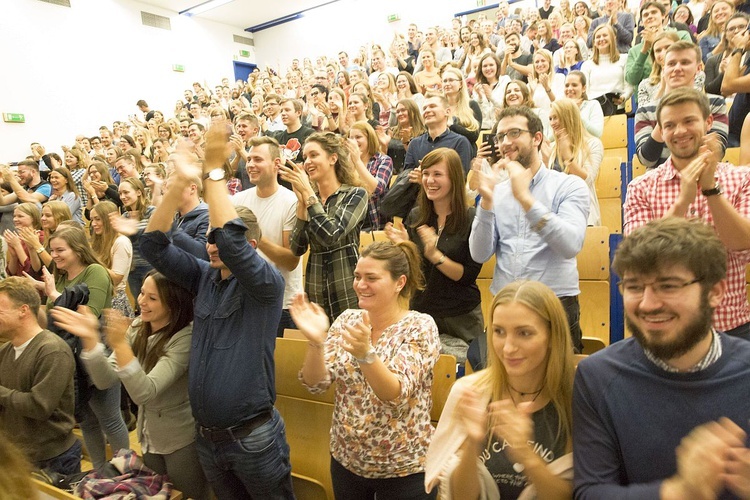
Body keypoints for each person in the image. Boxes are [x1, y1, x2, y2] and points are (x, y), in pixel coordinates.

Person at [140, 124, 293, 498]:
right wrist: (178, 183)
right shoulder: (205, 278)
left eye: (216, 238)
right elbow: (153, 245)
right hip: (208, 438)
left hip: (252, 438)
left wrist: (213, 171)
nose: (210, 245)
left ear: (250, 245)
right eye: (207, 237)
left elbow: (230, 240)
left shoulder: (265, 284)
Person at [573, 217, 750, 498]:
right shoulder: (597, 375)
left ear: (715, 292)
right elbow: (590, 492)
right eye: (633, 286)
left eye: (668, 286)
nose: (648, 304)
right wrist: (680, 491)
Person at [290, 240, 440, 500]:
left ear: (399, 283)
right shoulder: (348, 319)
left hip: (404, 471)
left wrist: (365, 354)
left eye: (371, 277)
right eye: (357, 276)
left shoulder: (420, 326)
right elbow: (316, 383)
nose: (360, 285)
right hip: (347, 463)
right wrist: (316, 341)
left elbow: (395, 394)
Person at [50, 272, 210, 500]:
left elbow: (146, 392)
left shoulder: (184, 337)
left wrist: (119, 344)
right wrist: (90, 339)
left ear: (174, 302)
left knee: (186, 495)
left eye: (152, 298)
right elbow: (104, 380)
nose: (142, 301)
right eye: (143, 292)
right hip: (150, 436)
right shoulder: (139, 326)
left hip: (181, 441)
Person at [425, 280, 575, 499]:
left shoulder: (576, 398)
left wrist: (526, 455)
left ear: (553, 336)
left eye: (524, 333)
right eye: (499, 331)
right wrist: (472, 444)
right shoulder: (470, 392)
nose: (508, 347)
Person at [625, 87, 750, 340]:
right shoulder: (641, 187)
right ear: (660, 131)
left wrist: (710, 189)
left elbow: (742, 242)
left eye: (689, 121)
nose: (680, 131)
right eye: (670, 125)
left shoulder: (742, 178)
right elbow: (640, 259)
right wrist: (682, 201)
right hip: (665, 330)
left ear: (708, 122)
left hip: (731, 328)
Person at [469, 106, 589, 353]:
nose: (505, 142)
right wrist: (487, 204)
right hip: (506, 307)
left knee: (556, 388)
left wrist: (525, 199)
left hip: (553, 306)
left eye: (514, 133)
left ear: (537, 138)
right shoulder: (496, 192)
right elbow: (479, 255)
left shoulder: (569, 185)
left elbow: (570, 245)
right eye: (500, 136)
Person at [28, 226, 127, 469]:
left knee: (110, 420)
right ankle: (100, 473)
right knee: (87, 422)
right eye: (52, 250)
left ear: (78, 250)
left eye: (60, 250)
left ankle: (128, 474)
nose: (55, 255)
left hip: (97, 354)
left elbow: (89, 317)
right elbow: (53, 316)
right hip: (71, 359)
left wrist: (52, 293)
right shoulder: (59, 275)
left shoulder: (95, 272)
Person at [385, 148, 484, 357]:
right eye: (426, 174)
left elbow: (466, 276)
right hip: (423, 310)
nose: (430, 180)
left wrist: (433, 253)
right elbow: (415, 274)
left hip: (461, 317)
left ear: (455, 178)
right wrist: (406, 248)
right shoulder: (416, 216)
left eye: (437, 174)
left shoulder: (471, 218)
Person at [283, 132, 368, 322]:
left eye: (314, 155)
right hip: (315, 290)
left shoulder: (355, 194)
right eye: (305, 157)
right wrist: (301, 204)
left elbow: (332, 234)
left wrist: (307, 194)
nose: (307, 162)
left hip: (347, 286)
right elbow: (297, 248)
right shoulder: (307, 199)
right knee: (320, 348)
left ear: (333, 158)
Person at [0, 277, 80, 475]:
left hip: (52, 461)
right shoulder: (5, 351)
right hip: (17, 456)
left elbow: (39, 406)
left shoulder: (52, 351)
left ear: (23, 311)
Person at [231, 136, 303, 337]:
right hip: (244, 300)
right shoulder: (238, 200)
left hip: (282, 305)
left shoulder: (291, 202)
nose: (251, 165)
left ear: (276, 164)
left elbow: (290, 261)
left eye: (258, 160)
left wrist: (255, 235)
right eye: (250, 159)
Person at [635, 41, 728, 169]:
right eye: (671, 64)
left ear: (698, 68)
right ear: (664, 69)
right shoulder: (645, 111)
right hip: (660, 184)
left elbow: (717, 151)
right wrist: (666, 111)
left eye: (685, 62)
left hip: (704, 176)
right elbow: (647, 159)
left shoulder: (715, 103)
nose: (677, 68)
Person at [548, 98, 604, 226]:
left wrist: (567, 156)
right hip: (556, 218)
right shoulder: (551, 148)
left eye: (556, 117)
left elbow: (587, 179)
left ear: (568, 117)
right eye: (550, 119)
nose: (552, 123)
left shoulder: (593, 144)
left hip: (583, 217)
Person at [625, 2, 694, 96]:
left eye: (653, 12)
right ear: (641, 21)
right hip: (648, 97)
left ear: (663, 15)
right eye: (645, 15)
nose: (650, 16)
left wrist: (656, 43)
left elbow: (690, 60)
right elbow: (632, 79)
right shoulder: (634, 51)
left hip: (681, 91)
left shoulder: (681, 35)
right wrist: (644, 51)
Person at [347, 121, 393, 231]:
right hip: (350, 221)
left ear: (369, 138)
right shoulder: (346, 161)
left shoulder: (384, 160)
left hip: (374, 222)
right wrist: (350, 163)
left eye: (358, 137)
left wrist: (357, 162)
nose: (354, 141)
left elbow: (377, 189)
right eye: (351, 138)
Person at [90, 201, 134, 317]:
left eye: (97, 219)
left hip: (114, 301)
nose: (93, 224)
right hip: (98, 297)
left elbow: (116, 278)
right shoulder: (97, 242)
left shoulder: (121, 242)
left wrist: (91, 261)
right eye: (92, 220)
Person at [581, 24, 633, 116]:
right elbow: (585, 92)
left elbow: (629, 86)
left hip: (617, 110)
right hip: (594, 113)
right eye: (598, 37)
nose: (601, 39)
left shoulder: (624, 59)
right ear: (594, 42)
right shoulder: (587, 65)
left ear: (613, 38)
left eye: (605, 35)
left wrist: (623, 98)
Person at [563, 71, 605, 137]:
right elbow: (550, 138)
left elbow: (597, 133)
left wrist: (574, 111)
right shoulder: (560, 109)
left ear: (583, 88)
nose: (570, 88)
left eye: (574, 85)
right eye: (567, 85)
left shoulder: (593, 105)